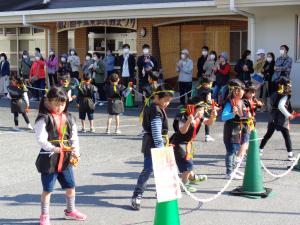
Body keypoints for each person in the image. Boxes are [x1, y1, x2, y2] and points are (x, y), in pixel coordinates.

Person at [34, 87, 86, 225]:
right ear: (49, 102)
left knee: (71, 186)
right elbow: (41, 139)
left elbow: (74, 137)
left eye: (62, 104)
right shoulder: (43, 118)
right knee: (48, 189)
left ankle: (71, 210)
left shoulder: (69, 117)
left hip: (66, 158)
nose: (60, 107)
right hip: (50, 158)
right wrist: (54, 148)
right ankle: (44, 215)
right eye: (56, 104)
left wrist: (76, 152)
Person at [131, 84, 174, 210]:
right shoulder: (155, 110)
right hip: (154, 145)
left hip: (158, 143)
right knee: (148, 170)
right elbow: (156, 131)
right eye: (165, 100)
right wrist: (161, 149)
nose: (167, 103)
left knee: (161, 170)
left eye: (169, 102)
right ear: (156, 97)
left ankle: (161, 192)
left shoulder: (156, 107)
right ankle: (137, 196)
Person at [170, 98, 217, 192]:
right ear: (193, 109)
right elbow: (182, 131)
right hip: (177, 144)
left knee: (188, 163)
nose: (203, 111)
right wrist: (188, 121)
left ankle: (193, 177)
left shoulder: (199, 118)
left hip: (187, 144)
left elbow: (209, 123)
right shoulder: (184, 117)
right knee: (188, 164)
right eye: (201, 110)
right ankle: (184, 184)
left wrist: (213, 116)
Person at [260, 77, 296, 161]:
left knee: (268, 135)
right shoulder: (284, 95)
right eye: (288, 84)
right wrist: (288, 115)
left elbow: (277, 105)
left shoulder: (275, 93)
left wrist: (290, 111)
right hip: (281, 118)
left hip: (273, 116)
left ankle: (259, 151)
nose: (290, 86)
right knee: (286, 136)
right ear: (284, 85)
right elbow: (281, 106)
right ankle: (290, 154)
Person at [221, 79, 249, 179]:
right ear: (236, 91)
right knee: (231, 151)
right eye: (242, 90)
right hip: (231, 129)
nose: (243, 92)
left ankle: (233, 170)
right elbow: (223, 117)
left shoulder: (241, 101)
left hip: (238, 129)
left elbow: (243, 114)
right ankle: (229, 172)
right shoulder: (230, 103)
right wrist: (232, 113)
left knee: (234, 150)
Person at [196, 77, 215, 142]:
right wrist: (212, 103)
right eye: (211, 83)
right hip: (205, 107)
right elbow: (208, 100)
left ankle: (192, 135)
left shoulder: (199, 89)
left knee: (199, 121)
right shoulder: (208, 90)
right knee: (207, 120)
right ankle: (207, 135)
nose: (211, 84)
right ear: (207, 84)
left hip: (198, 106)